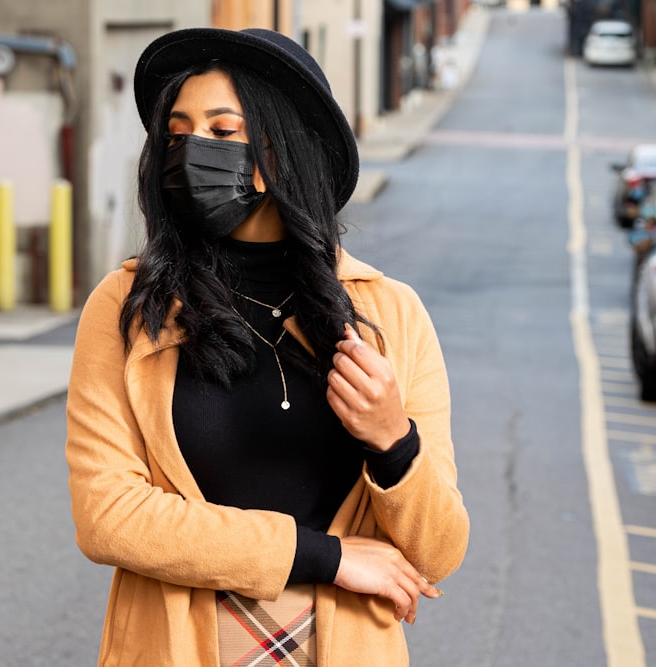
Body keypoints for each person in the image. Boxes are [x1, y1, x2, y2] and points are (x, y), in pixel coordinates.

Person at [66, 26, 469, 666]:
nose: (193, 150)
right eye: (178, 133)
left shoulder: (390, 313)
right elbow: (108, 515)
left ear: (284, 147)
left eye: (223, 133)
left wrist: (394, 440)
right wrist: (324, 557)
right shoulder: (127, 306)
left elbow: (437, 552)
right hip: (178, 647)